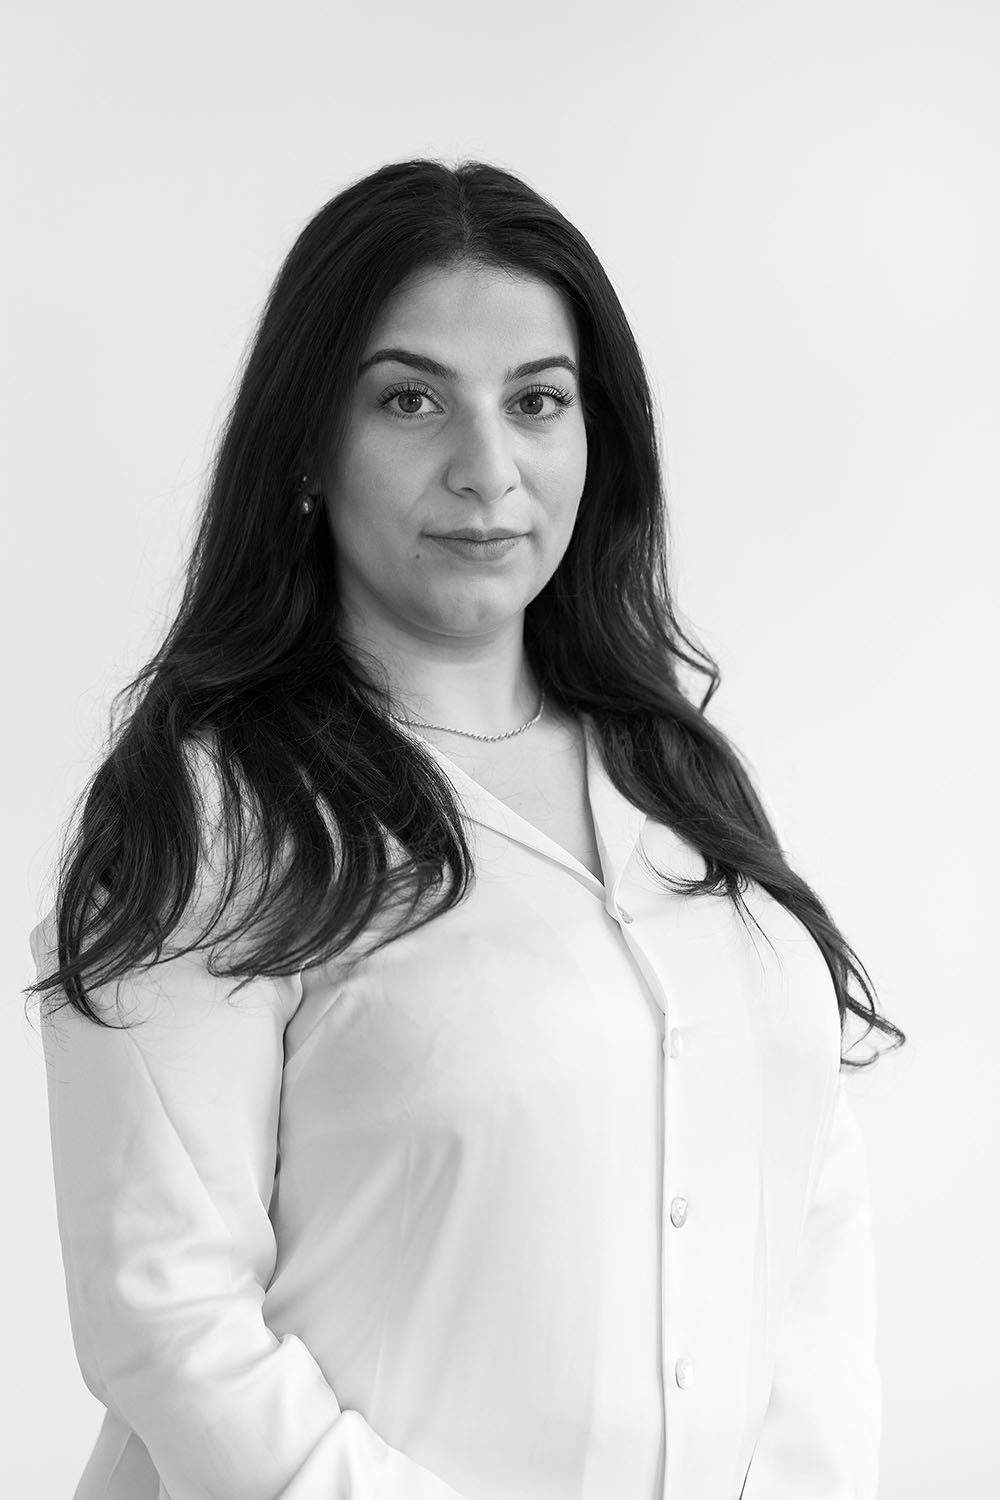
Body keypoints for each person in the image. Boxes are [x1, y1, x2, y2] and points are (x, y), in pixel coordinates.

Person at [27, 157, 904, 1500]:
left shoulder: (680, 779)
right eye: (411, 399)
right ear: (309, 444)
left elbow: (807, 1206)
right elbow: (171, 1323)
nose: (487, 470)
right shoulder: (214, 812)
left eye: (537, 401)